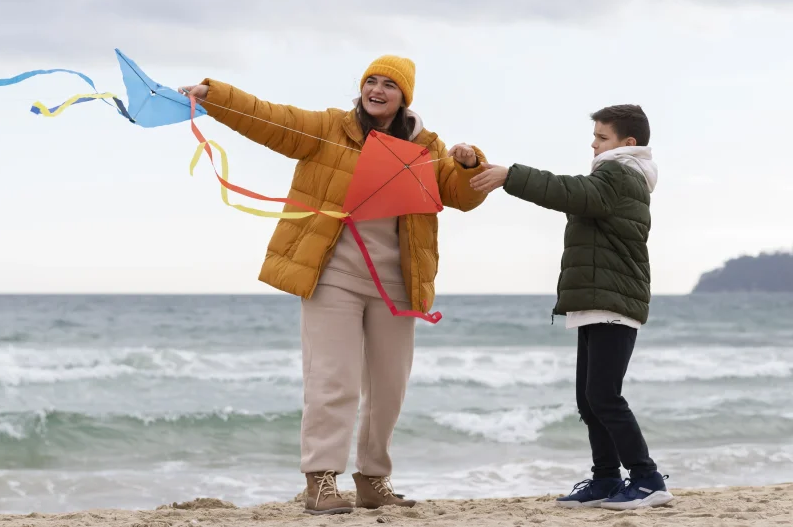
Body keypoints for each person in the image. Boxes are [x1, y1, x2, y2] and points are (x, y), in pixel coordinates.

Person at [179, 55, 488, 516]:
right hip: (334, 276)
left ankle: (373, 479)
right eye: (370, 81)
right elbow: (271, 118)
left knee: (389, 388)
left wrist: (468, 164)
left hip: (398, 285)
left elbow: (462, 196)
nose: (376, 90)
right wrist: (216, 96)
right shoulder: (330, 128)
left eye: (388, 84)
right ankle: (321, 480)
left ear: (406, 96)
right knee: (333, 381)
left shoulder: (427, 145)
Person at [468, 104, 673, 511]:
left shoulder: (618, 173)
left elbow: (568, 191)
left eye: (602, 137)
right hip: (598, 300)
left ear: (627, 144)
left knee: (605, 397)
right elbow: (576, 197)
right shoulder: (616, 178)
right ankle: (606, 479)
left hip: (612, 302)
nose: (593, 143)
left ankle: (647, 479)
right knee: (589, 399)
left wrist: (511, 176)